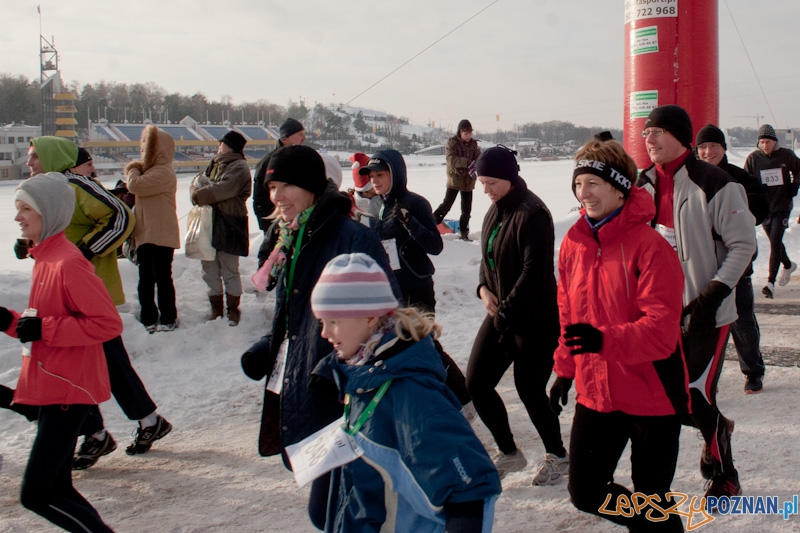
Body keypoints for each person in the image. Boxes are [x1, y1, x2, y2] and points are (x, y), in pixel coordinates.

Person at [238, 145, 399, 530]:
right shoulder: (291, 237)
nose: (276, 196)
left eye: (286, 185)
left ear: (311, 187)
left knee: (341, 513)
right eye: (272, 186)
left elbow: (385, 320)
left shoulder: (349, 238)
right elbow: (301, 314)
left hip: (342, 394)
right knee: (328, 511)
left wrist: (335, 371)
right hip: (307, 381)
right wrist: (271, 348)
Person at [551, 140, 689, 532]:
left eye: (594, 183)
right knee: (586, 491)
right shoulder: (573, 244)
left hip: (652, 393)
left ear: (620, 187)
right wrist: (564, 368)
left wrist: (603, 341)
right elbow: (568, 315)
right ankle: (653, 524)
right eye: (579, 184)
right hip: (597, 393)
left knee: (650, 497)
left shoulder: (651, 247)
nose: (585, 194)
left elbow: (661, 331)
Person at [309, 253, 501, 532]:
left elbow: (470, 489)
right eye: (322, 322)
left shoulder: (411, 394)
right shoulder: (364, 372)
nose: (324, 333)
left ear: (371, 317)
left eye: (334, 321)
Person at [23, 137, 171, 466]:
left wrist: (85, 251)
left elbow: (120, 216)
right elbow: (57, 232)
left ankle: (121, 427)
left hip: (88, 292)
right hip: (61, 290)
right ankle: (106, 430)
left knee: (106, 361)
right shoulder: (45, 187)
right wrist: (30, 245)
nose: (29, 162)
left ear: (50, 156)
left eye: (34, 156)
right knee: (79, 364)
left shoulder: (72, 184)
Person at [637, 105, 756, 500]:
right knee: (669, 397)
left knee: (695, 392)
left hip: (707, 313)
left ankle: (726, 476)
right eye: (645, 132)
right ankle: (716, 426)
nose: (648, 139)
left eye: (656, 131)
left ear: (680, 136)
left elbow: (743, 245)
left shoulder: (716, 182)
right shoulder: (644, 184)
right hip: (657, 313)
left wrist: (712, 295)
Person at [2, 172, 122, 532]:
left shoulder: (68, 262)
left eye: (26, 209)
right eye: (17, 208)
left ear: (49, 213)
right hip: (56, 385)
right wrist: (9, 321)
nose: (18, 217)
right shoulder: (46, 259)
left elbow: (106, 324)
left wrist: (43, 328)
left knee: (37, 494)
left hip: (67, 390)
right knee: (57, 487)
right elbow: (41, 324)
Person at [469, 145, 568, 484]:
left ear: (510, 178)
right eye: (482, 182)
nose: (486, 190)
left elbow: (534, 272)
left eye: (491, 182)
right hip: (502, 313)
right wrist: (484, 289)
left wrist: (505, 311)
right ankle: (509, 453)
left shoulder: (534, 213)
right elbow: (488, 259)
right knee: (477, 383)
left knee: (529, 388)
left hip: (535, 318)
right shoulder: (494, 211)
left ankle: (558, 455)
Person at [361, 150, 472, 408]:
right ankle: (419, 399)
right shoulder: (376, 205)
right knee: (395, 347)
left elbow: (435, 246)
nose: (375, 181)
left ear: (396, 174)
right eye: (372, 176)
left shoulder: (415, 203)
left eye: (381, 175)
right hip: (390, 288)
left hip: (417, 285)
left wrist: (411, 223)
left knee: (424, 344)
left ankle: (464, 398)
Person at [696, 124, 769, 394]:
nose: (708, 152)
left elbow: (762, 205)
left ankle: (753, 371)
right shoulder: (691, 177)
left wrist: (737, 220)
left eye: (713, 146)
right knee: (701, 320)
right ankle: (701, 375)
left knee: (742, 319)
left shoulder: (738, 177)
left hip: (736, 260)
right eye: (702, 147)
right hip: (702, 261)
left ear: (724, 149)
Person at [190, 130, 252, 326]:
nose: (218, 146)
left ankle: (233, 310)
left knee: (229, 269)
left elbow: (222, 190)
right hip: (210, 223)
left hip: (230, 224)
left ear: (230, 146)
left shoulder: (239, 166)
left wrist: (199, 195)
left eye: (221, 143)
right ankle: (216, 309)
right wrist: (198, 191)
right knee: (209, 268)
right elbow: (196, 184)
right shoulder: (215, 164)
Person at [125, 124, 181, 333]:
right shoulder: (153, 171)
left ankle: (168, 317)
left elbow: (135, 185)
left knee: (162, 278)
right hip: (146, 234)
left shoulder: (164, 172)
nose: (142, 154)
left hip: (161, 235)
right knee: (146, 279)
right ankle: (149, 316)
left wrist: (132, 169)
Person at [743, 124, 800, 298]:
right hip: (764, 208)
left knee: (775, 240)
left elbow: (799, 170)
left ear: (775, 142)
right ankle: (788, 265)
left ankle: (770, 282)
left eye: (768, 142)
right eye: (762, 142)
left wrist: (795, 184)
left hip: (782, 206)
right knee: (774, 240)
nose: (765, 145)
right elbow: (745, 179)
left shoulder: (786, 155)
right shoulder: (754, 159)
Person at [253, 118, 306, 268]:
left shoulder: (299, 158)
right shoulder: (270, 162)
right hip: (277, 224)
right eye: (300, 134)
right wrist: (269, 227)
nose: (304, 138)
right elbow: (259, 199)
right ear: (286, 137)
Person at [433, 119, 481, 241]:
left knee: (466, 209)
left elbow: (479, 157)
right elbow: (451, 160)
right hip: (455, 180)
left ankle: (464, 233)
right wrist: (467, 162)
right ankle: (431, 225)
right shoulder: (452, 143)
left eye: (469, 133)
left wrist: (481, 163)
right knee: (446, 205)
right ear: (460, 132)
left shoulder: (473, 144)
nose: (468, 136)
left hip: (468, 181)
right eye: (465, 133)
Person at [348, 152, 381, 226]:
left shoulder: (388, 201)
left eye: (379, 175)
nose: (379, 181)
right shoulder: (348, 207)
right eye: (372, 176)